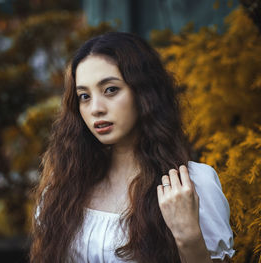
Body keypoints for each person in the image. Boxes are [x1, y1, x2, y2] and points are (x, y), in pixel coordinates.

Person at [30, 32, 235, 263]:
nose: (96, 108)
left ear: (144, 93)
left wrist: (188, 238)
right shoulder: (64, 186)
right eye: (84, 96)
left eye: (110, 89)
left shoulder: (192, 186)